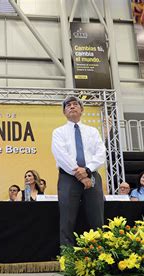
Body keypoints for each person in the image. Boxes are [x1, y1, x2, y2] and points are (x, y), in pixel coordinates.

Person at [51, 96, 106, 246]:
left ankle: (99, 256)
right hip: (68, 177)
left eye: (75, 104)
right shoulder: (58, 132)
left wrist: (87, 170)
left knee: (97, 218)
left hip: (92, 174)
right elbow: (61, 155)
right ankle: (67, 258)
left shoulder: (92, 131)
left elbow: (101, 153)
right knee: (67, 219)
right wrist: (81, 175)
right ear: (64, 112)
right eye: (68, 105)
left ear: (82, 110)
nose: (72, 106)